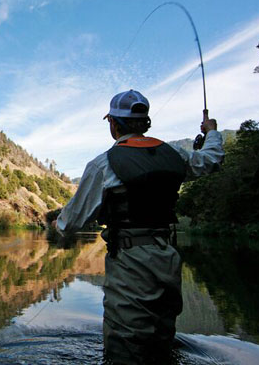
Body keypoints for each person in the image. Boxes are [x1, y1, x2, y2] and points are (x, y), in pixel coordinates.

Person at [54, 90, 224, 364]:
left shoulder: (103, 164)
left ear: (114, 124)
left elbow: (69, 223)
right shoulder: (174, 155)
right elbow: (211, 160)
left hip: (131, 262)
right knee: (161, 338)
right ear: (146, 123)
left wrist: (57, 223)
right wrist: (212, 132)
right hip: (168, 258)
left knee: (127, 345)